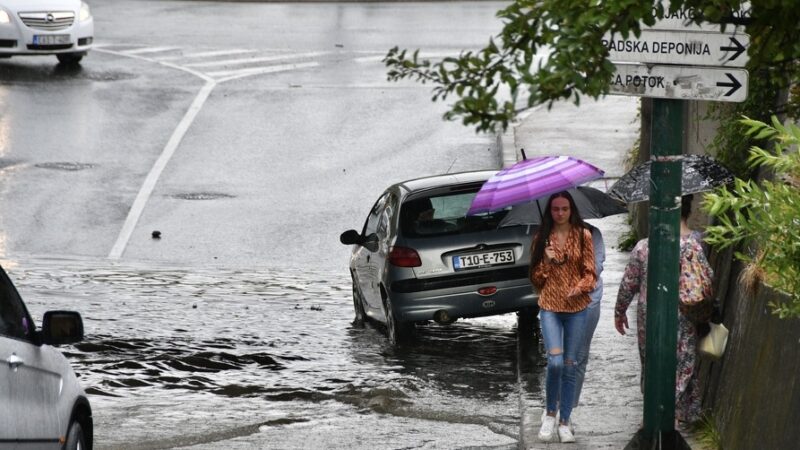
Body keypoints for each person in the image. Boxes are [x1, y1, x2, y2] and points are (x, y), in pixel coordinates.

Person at [614, 194, 711, 426]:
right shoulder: (694, 246)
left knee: (652, 362)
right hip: (685, 317)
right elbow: (706, 280)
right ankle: (674, 413)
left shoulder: (644, 247)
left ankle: (657, 410)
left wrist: (620, 311)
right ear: (687, 211)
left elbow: (629, 282)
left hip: (650, 318)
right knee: (683, 363)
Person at [530, 191, 597, 443]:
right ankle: (549, 413)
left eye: (564, 209)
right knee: (555, 363)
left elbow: (591, 274)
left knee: (570, 365)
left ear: (571, 210)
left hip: (577, 309)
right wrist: (545, 262)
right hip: (550, 307)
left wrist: (578, 288)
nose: (560, 213)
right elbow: (536, 280)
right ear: (550, 211)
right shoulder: (541, 239)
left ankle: (565, 420)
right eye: (556, 209)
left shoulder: (583, 236)